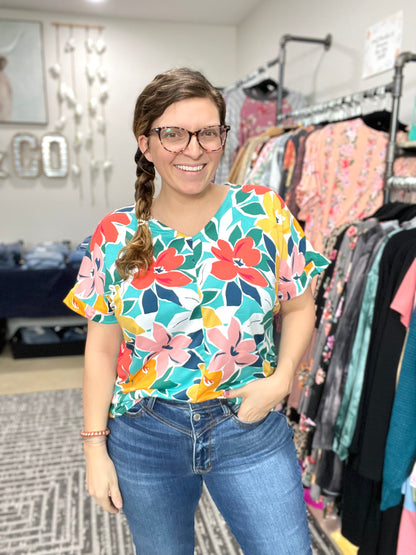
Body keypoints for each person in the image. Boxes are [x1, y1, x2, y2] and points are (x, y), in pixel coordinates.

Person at [64, 67, 329, 555]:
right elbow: (101, 352)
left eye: (208, 133)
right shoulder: (114, 234)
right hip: (145, 433)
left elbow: (299, 305)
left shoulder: (263, 211)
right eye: (173, 134)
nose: (194, 149)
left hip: (249, 426)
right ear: (145, 143)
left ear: (223, 138)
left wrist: (282, 379)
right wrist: (94, 448)